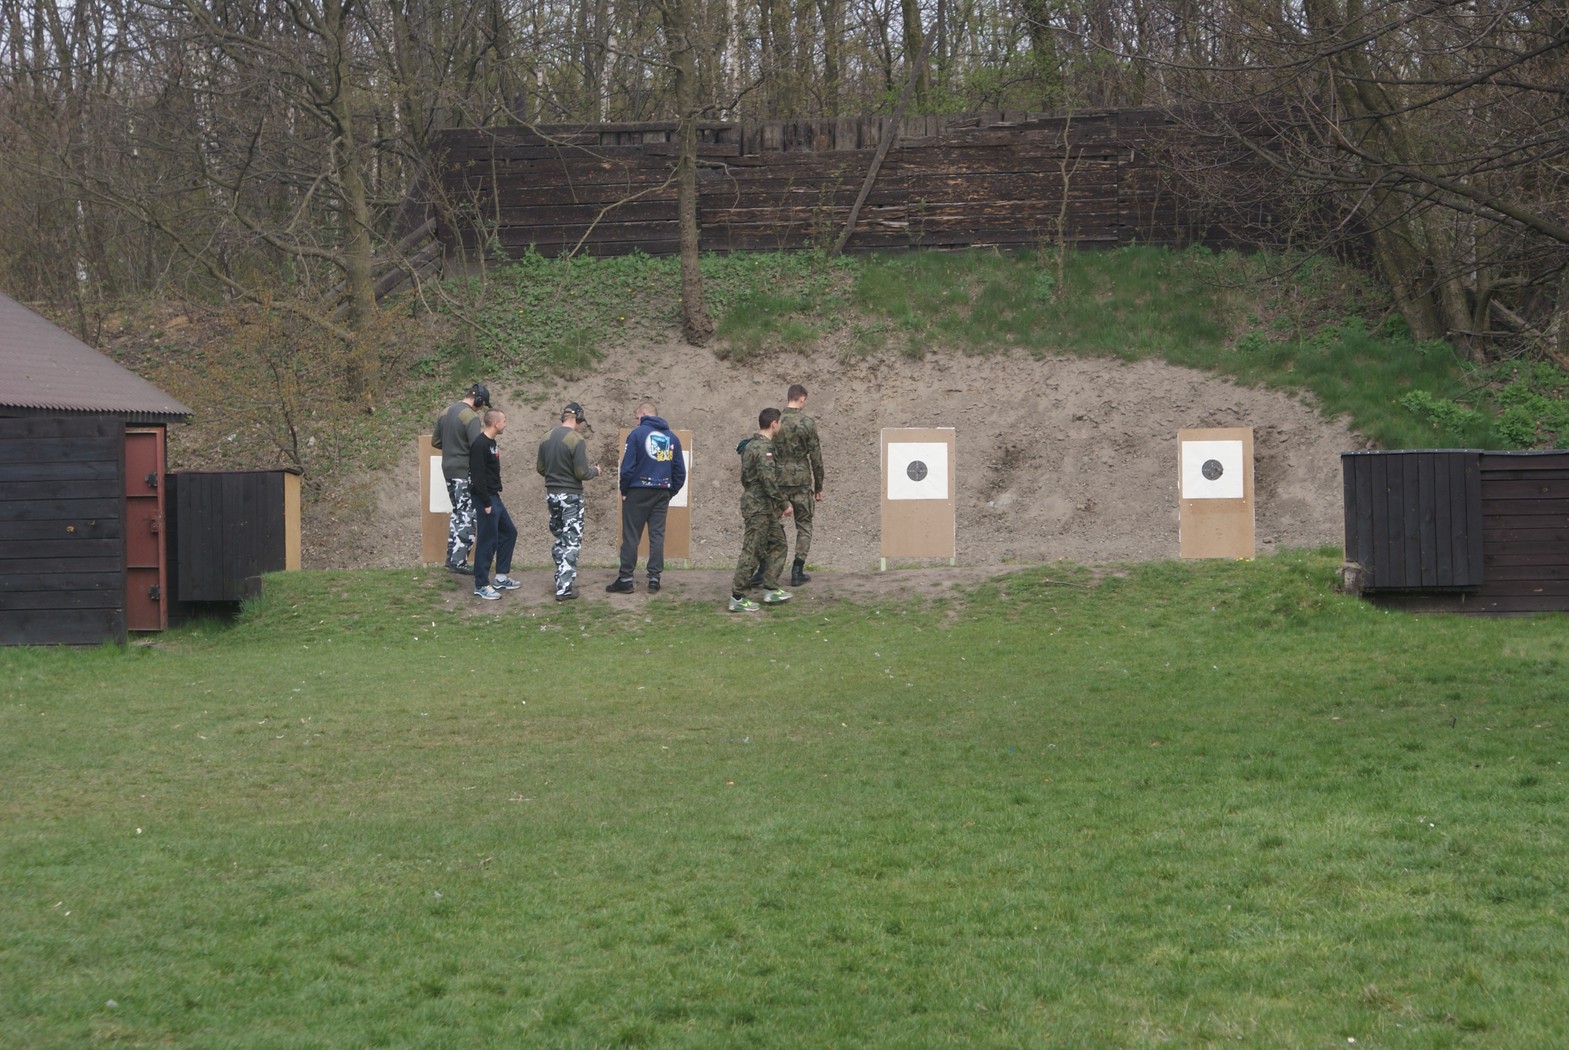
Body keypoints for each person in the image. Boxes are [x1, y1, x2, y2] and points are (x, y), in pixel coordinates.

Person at [608, 401, 686, 594]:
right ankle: (654, 578)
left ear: (644, 414)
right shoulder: (672, 437)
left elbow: (627, 468)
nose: (637, 422)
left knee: (631, 536)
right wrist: (669, 492)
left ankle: (626, 579)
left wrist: (624, 490)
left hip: (637, 490)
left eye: (637, 418)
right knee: (657, 536)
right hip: (661, 491)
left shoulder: (636, 435)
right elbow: (680, 472)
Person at [535, 402, 603, 601]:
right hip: (571, 496)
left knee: (560, 537)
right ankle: (564, 588)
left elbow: (540, 468)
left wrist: (555, 475)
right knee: (571, 540)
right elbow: (582, 472)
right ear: (577, 418)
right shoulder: (576, 440)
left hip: (552, 494)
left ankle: (561, 576)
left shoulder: (546, 437)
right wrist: (596, 471)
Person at [729, 408, 793, 612]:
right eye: (779, 423)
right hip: (759, 507)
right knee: (752, 550)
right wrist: (784, 504)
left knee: (778, 543)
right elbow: (768, 480)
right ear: (774, 424)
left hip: (762, 506)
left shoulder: (750, 445)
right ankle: (737, 597)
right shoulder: (763, 448)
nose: (780, 426)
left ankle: (771, 588)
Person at [431, 382, 489, 573]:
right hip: (463, 471)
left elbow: (436, 441)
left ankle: (452, 558)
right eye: (482, 404)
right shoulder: (470, 417)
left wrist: (452, 446)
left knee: (457, 513)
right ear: (478, 400)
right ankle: (459, 562)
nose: (480, 409)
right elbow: (476, 447)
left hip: (448, 469)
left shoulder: (445, 412)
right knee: (467, 516)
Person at [773, 383, 824, 586]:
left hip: (778, 481)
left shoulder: (775, 421)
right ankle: (797, 570)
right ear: (802, 398)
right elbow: (816, 457)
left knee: (771, 524)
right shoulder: (807, 423)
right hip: (801, 481)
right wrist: (819, 486)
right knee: (804, 525)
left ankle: (764, 569)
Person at [468, 408, 521, 600]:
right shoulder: (480, 444)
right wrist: (485, 502)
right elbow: (477, 476)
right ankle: (481, 584)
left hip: (494, 496)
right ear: (496, 423)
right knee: (487, 540)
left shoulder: (491, 443)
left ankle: (500, 577)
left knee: (509, 532)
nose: (505, 424)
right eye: (504, 421)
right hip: (485, 498)